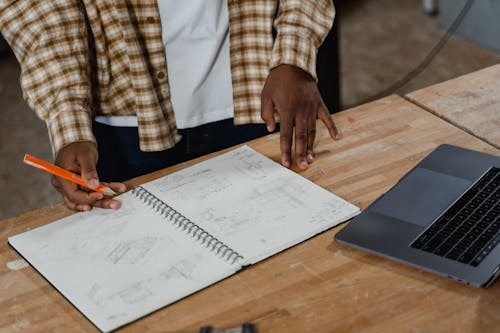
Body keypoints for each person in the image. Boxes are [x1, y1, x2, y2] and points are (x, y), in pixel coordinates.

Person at [0, 0, 339, 211]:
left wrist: (295, 55)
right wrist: (68, 120)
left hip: (259, 91)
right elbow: (40, 13)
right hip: (125, 112)